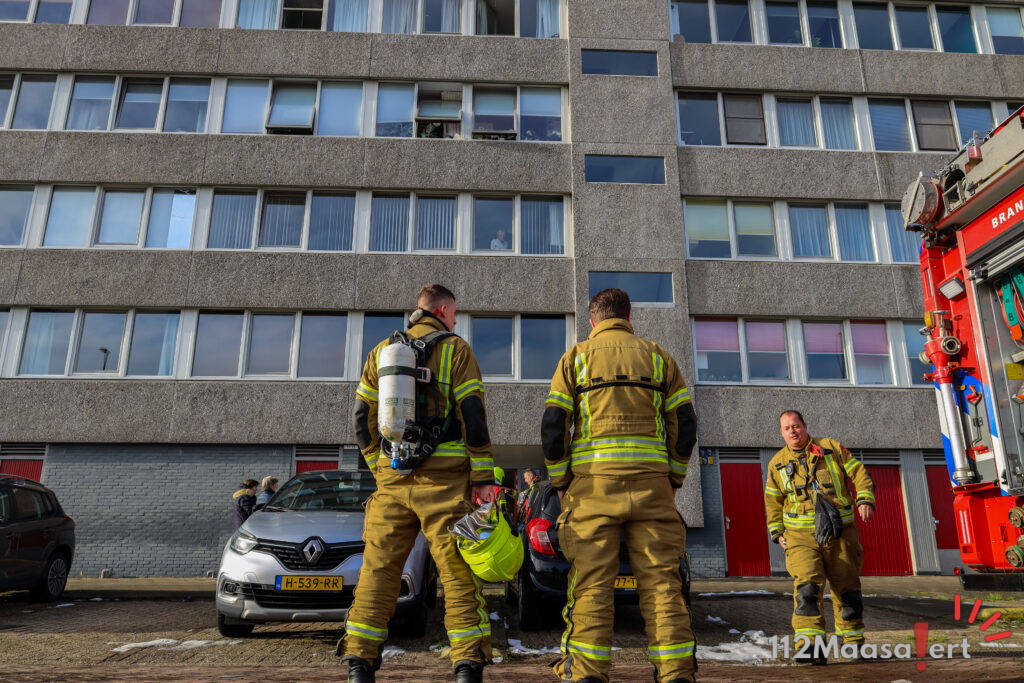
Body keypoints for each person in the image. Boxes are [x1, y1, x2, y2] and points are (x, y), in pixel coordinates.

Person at [338, 284, 496, 683]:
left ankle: (359, 662)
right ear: (441, 310)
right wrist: (482, 478)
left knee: (378, 571)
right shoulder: (456, 350)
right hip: (444, 483)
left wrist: (380, 467)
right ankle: (466, 666)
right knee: (457, 573)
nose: (456, 320)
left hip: (393, 479)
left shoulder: (380, 353)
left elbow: (360, 418)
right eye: (454, 313)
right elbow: (473, 416)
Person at [542, 288, 698, 683]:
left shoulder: (575, 358)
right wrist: (674, 478)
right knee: (664, 584)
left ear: (592, 322)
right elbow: (685, 424)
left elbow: (554, 426)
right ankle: (676, 673)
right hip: (653, 488)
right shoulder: (659, 356)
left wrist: (561, 483)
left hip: (592, 490)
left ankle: (588, 674)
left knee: (592, 585)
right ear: (629, 318)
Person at [764, 410, 876, 664]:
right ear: (781, 433)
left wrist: (864, 499)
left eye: (796, 426)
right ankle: (811, 648)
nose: (792, 431)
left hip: (841, 534)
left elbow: (859, 473)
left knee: (847, 589)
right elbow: (772, 500)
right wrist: (776, 531)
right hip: (800, 537)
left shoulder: (831, 448)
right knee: (807, 587)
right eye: (787, 428)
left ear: (804, 426)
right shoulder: (777, 463)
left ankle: (853, 644)